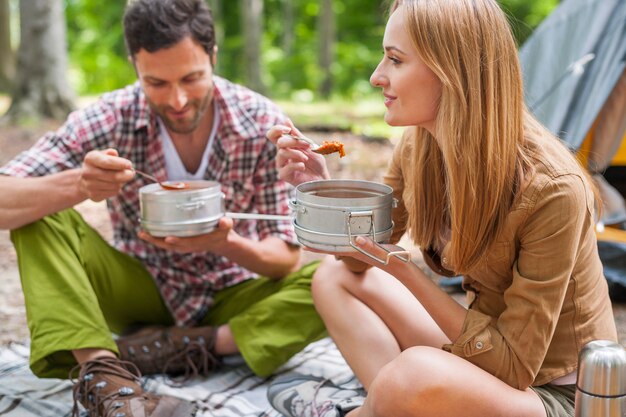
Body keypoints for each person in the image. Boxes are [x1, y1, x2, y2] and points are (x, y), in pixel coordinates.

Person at [264, 0, 618, 416]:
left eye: (395, 60)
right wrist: (321, 190)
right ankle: (386, 405)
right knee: (333, 280)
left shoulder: (554, 190)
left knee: (414, 374)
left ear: (453, 70)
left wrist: (409, 275)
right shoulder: (420, 145)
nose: (377, 76)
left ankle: (371, 407)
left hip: (553, 396)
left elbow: (513, 367)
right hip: (486, 361)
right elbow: (358, 263)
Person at [0, 0, 326, 416]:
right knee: (39, 213)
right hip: (140, 289)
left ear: (213, 56)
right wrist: (78, 185)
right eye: (156, 82)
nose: (177, 100)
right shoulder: (109, 116)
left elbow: (284, 261)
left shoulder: (259, 122)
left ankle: (186, 346)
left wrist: (226, 243)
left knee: (333, 278)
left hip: (233, 293)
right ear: (135, 64)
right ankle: (112, 385)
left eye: (192, 78)